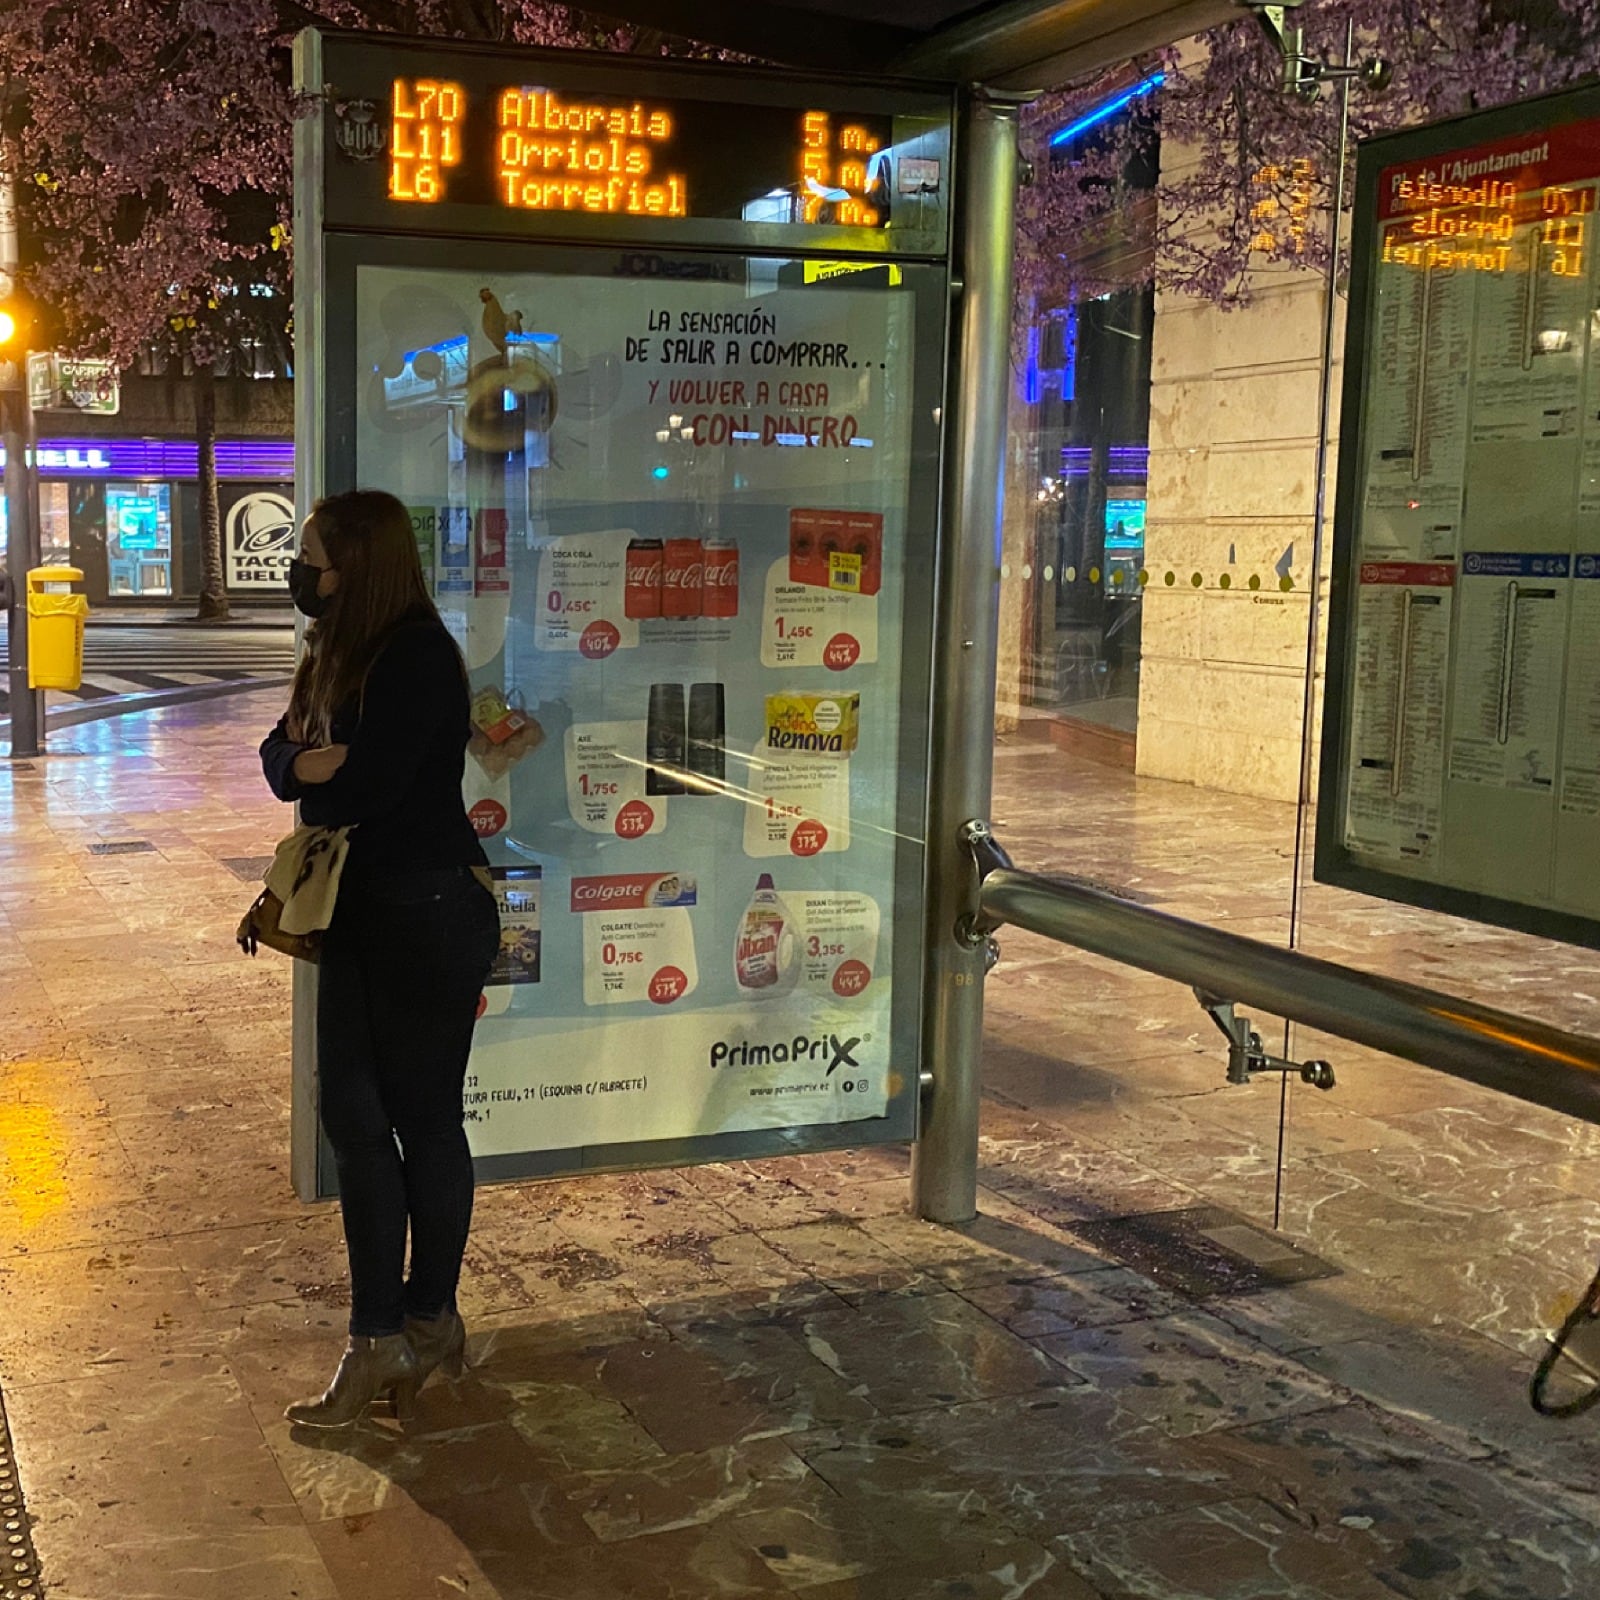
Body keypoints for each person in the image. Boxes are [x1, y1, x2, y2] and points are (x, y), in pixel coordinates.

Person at [260, 489, 499, 1429]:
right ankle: (380, 1339)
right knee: (353, 1117)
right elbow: (281, 755)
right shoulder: (334, 650)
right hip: (357, 907)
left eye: (312, 554)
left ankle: (425, 1319)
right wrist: (301, 764)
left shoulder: (416, 655)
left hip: (428, 907)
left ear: (357, 564)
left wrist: (316, 771)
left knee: (424, 1120)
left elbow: (358, 785)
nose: (301, 569)